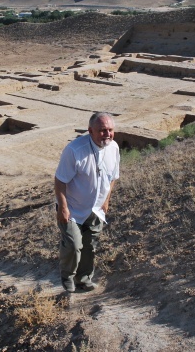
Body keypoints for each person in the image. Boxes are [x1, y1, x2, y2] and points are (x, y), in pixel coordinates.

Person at [54, 112, 120, 292]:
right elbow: (60, 180)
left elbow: (113, 177)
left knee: (90, 246)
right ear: (90, 131)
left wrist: (106, 200)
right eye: (102, 130)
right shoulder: (74, 150)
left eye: (110, 130)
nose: (107, 134)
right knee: (74, 245)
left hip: (96, 208)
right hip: (72, 208)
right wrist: (63, 208)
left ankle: (83, 279)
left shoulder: (113, 148)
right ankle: (67, 276)